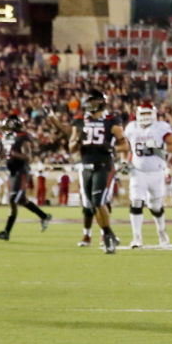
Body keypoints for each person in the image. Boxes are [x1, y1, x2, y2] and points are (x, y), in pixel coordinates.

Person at [67, 90, 125, 253]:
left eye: (93, 100)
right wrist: (78, 141)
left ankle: (107, 238)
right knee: (92, 205)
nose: (90, 104)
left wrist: (110, 147)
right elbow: (71, 147)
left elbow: (125, 145)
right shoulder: (79, 121)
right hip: (86, 166)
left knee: (99, 201)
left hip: (104, 166)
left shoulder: (111, 120)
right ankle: (110, 234)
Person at [123, 102, 172, 248]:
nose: (146, 117)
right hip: (138, 171)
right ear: (137, 114)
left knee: (156, 207)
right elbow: (126, 146)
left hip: (156, 172)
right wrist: (124, 160)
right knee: (136, 202)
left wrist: (159, 146)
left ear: (154, 114)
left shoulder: (160, 127)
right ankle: (137, 238)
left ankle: (161, 232)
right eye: (143, 114)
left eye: (148, 113)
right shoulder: (131, 128)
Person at [0, 118, 50, 240]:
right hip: (13, 172)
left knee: (14, 199)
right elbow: (4, 154)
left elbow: (28, 157)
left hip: (21, 171)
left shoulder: (23, 138)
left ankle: (6, 232)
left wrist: (13, 154)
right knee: (21, 200)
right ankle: (44, 216)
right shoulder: (8, 139)